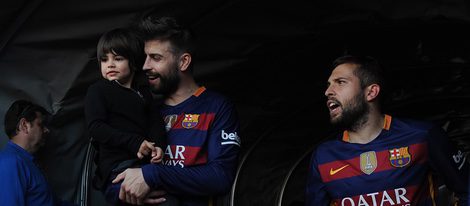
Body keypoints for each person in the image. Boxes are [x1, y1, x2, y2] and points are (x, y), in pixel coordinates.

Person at [306, 55, 469, 206]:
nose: (328, 91)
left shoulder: (422, 136)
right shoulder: (323, 156)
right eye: (328, 85)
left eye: (340, 82)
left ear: (371, 92)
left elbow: (467, 189)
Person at [111, 16, 241, 205]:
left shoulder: (217, 107)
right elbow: (114, 171)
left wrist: (153, 175)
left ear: (184, 62)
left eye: (156, 58)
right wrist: (125, 191)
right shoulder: (144, 108)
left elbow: (221, 176)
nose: (145, 66)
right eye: (145, 57)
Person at [84, 28, 167, 205]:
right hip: (116, 169)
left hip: (146, 167)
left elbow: (156, 123)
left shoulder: (144, 93)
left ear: (134, 62)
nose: (110, 65)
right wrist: (135, 142)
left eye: (118, 58)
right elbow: (96, 127)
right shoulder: (98, 90)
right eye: (104, 60)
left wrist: (158, 146)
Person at [0, 100, 74, 205]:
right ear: (24, 125)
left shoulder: (29, 161)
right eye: (41, 125)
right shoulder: (10, 162)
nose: (47, 130)